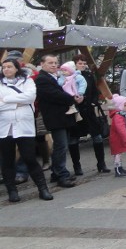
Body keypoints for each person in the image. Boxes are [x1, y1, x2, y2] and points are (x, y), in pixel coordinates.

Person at [0, 58, 53, 201]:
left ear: (17, 68)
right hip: (5, 127)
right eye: (4, 67)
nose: (6, 69)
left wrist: (7, 100)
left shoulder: (27, 81)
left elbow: (30, 97)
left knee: (30, 158)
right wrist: (16, 103)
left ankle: (43, 189)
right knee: (7, 160)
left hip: (24, 126)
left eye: (9, 66)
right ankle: (12, 191)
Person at [34, 54, 79, 188]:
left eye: (55, 63)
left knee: (61, 146)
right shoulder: (42, 79)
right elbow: (54, 95)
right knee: (61, 146)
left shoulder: (55, 77)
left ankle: (57, 172)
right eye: (50, 63)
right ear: (42, 64)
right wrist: (72, 98)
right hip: (55, 117)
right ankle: (61, 175)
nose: (54, 65)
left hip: (62, 116)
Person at [71, 55, 110, 174]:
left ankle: (101, 164)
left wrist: (92, 102)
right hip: (75, 112)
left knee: (97, 137)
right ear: (74, 64)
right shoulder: (70, 76)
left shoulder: (89, 76)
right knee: (73, 140)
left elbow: (94, 91)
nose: (82, 65)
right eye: (79, 63)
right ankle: (77, 167)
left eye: (84, 63)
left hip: (88, 111)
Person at [108, 95, 126, 177]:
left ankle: (120, 168)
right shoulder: (118, 116)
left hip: (117, 139)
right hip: (117, 140)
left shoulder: (120, 115)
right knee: (117, 156)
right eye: (125, 105)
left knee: (118, 155)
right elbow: (121, 129)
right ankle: (118, 170)